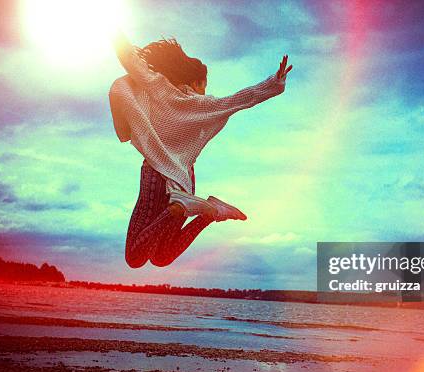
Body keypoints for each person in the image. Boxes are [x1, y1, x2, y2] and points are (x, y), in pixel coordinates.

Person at [109, 30, 292, 268]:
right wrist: (274, 84)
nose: (205, 91)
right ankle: (209, 211)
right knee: (162, 257)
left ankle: (183, 207)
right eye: (205, 85)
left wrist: (114, 32)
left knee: (135, 258)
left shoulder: (159, 87)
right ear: (196, 82)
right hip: (185, 182)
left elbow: (129, 59)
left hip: (155, 176)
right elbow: (240, 100)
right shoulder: (204, 105)